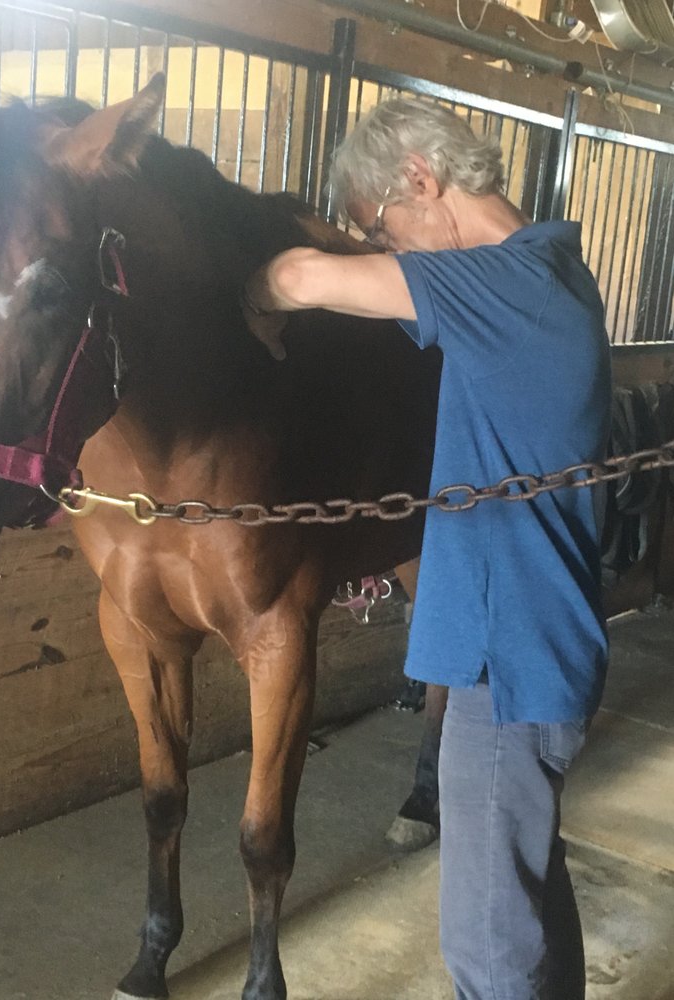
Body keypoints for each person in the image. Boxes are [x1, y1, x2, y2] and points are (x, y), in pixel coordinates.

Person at [241, 96, 611, 1000]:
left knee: (487, 950)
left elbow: (297, 275)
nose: (387, 248)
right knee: (527, 900)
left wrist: (255, 298)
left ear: (420, 179)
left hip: (505, 667)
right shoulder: (550, 270)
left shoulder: (500, 286)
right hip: (540, 654)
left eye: (381, 227)